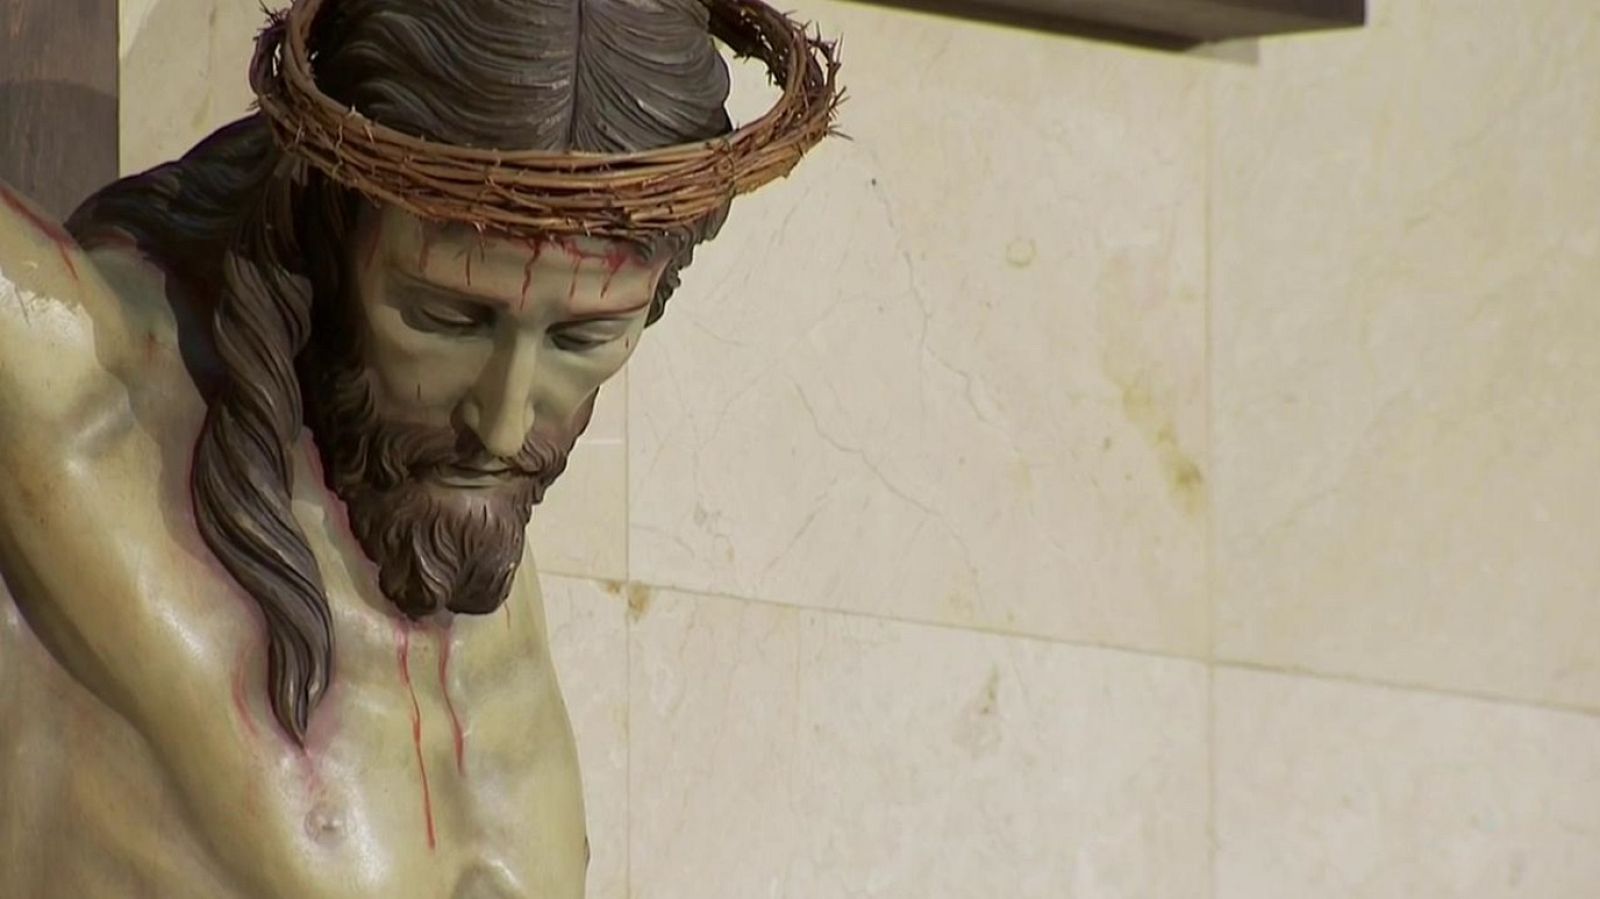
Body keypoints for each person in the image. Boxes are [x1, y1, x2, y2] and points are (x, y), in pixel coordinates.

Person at [0, 0, 837, 895]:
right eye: (448, 317)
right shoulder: (86, 409)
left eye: (583, 338)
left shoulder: (456, 535)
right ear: (330, 223)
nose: (506, 421)